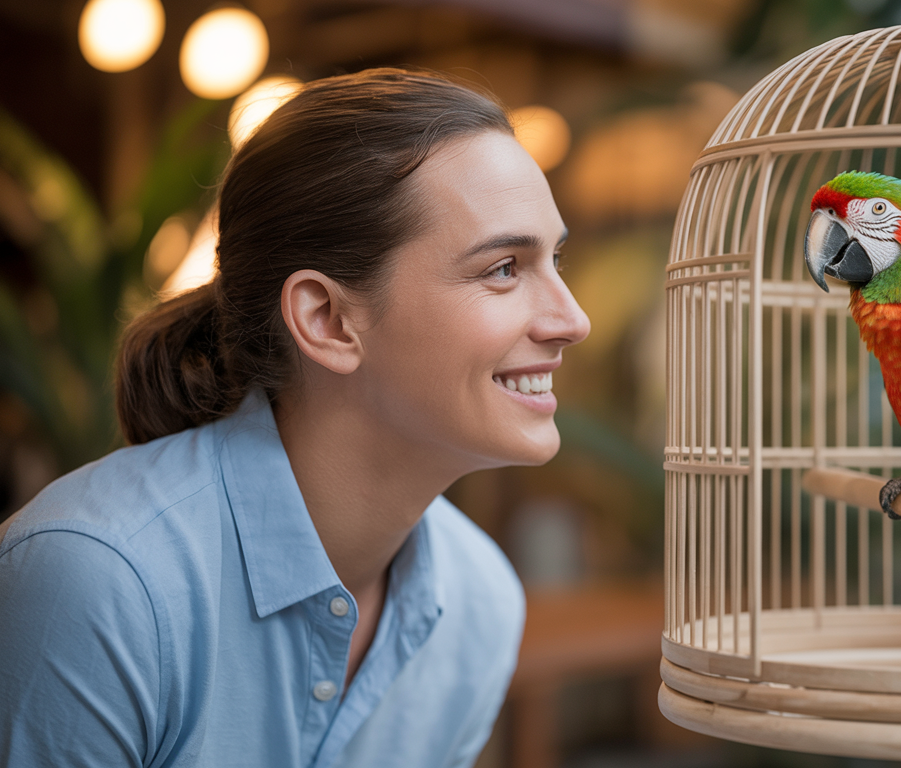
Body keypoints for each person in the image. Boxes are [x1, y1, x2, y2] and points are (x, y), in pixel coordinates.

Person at [0, 68, 590, 767]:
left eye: (554, 259)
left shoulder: (480, 602)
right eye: (503, 268)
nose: (572, 320)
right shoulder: (100, 583)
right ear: (328, 319)